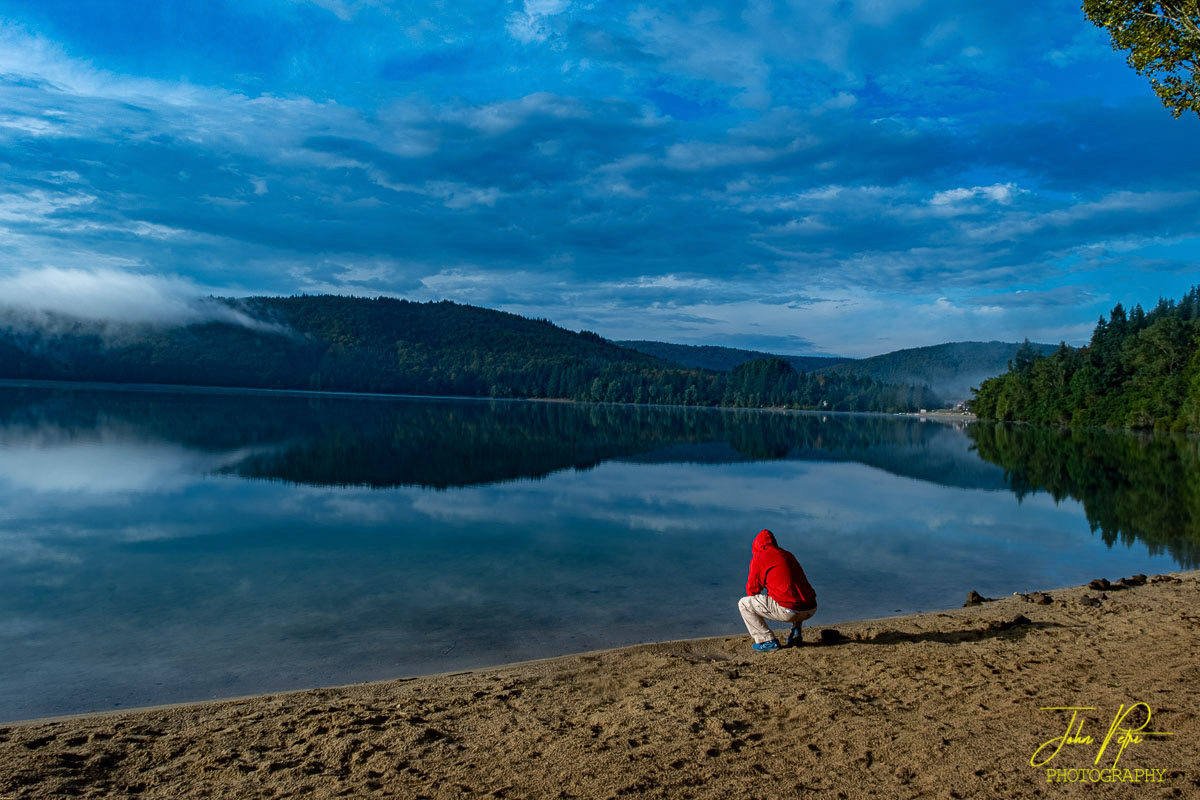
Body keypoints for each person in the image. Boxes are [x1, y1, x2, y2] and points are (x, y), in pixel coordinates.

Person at [738, 528, 817, 652]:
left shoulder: (759, 558)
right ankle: (796, 630)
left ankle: (767, 640)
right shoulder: (787, 554)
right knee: (795, 592)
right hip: (811, 608)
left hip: (790, 611)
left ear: (756, 545)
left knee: (744, 604)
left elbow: (752, 591)